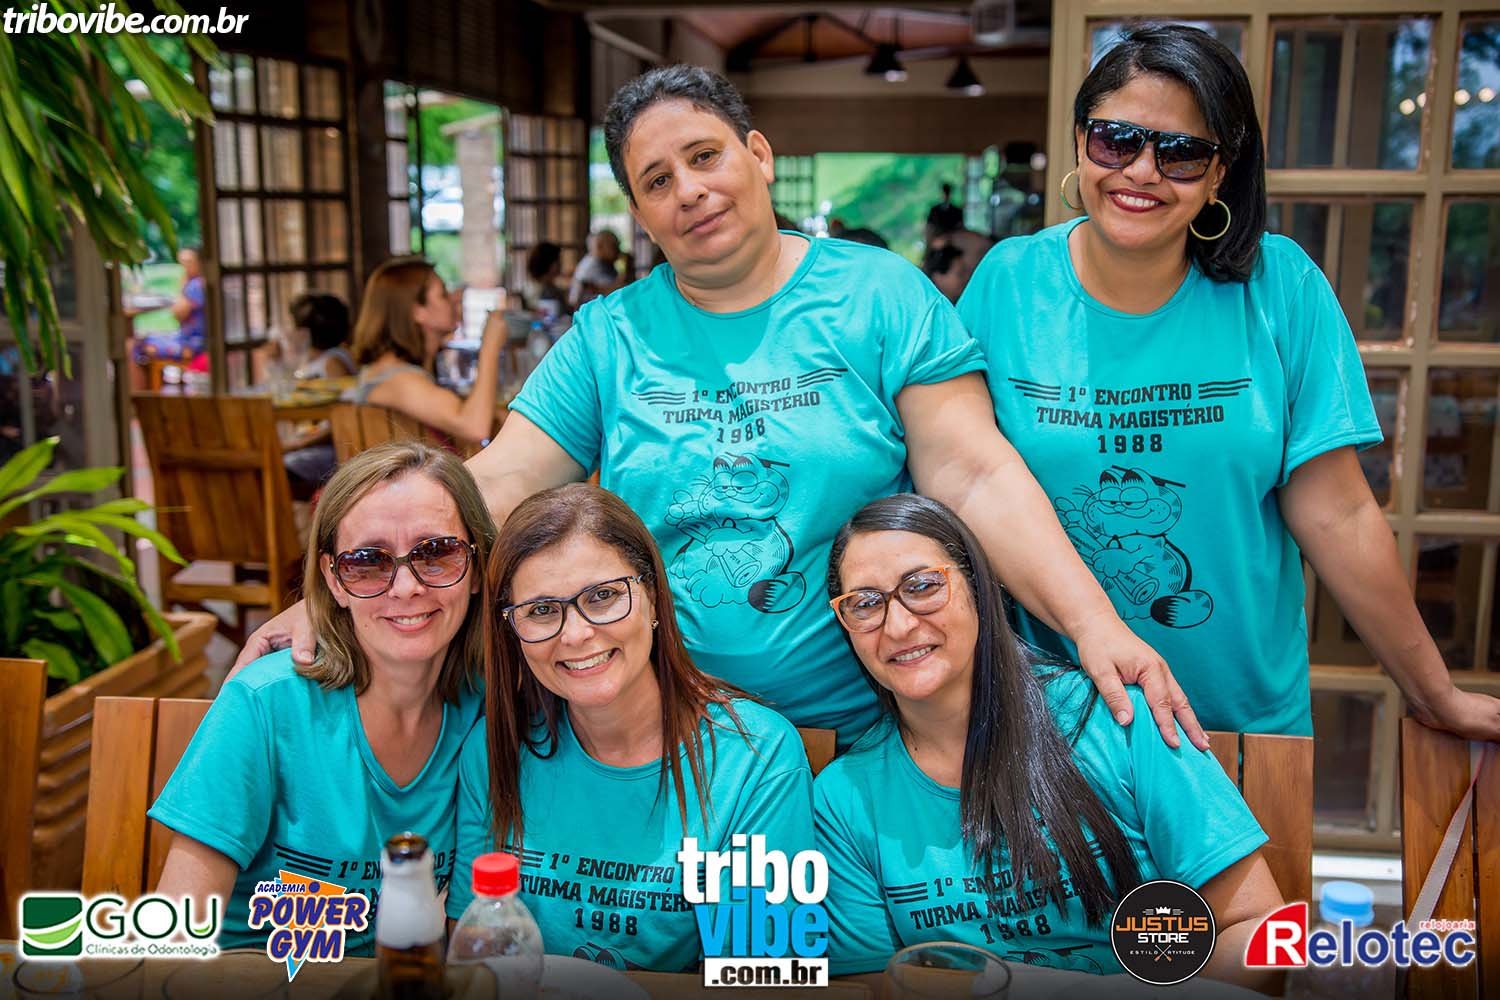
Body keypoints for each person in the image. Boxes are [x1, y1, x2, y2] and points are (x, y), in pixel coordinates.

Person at [237, 65, 1202, 755]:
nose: (690, 191)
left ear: (758, 155)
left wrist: (1092, 623)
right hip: (675, 736)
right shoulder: (613, 333)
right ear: (639, 213)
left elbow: (975, 472)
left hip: (871, 735)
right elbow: (499, 477)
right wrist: (345, 588)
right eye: (657, 181)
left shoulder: (877, 294)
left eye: (704, 156)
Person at [957, 24, 1500, 741]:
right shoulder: (1008, 282)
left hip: (1244, 728)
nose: (1142, 172)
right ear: (1081, 141)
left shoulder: (1281, 286)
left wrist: (1435, 692)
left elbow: (1338, 514)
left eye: (1182, 153)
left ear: (1221, 171)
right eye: (1116, 140)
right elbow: (964, 482)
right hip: (1054, 725)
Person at [817, 494, 1282, 989]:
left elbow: (1262, 932)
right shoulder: (846, 796)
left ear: (979, 588)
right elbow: (867, 986)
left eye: (923, 586)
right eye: (865, 603)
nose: (900, 624)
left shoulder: (1116, 719)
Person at [451, 483, 812, 970]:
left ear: (654, 598)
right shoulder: (493, 750)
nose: (576, 634)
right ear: (511, 631)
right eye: (541, 611)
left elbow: (761, 979)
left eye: (603, 596)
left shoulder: (756, 756)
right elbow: (473, 963)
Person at [150, 442, 493, 953]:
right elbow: (173, 939)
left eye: (436, 553)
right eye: (367, 562)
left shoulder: (485, 713)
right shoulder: (265, 704)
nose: (405, 587)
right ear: (334, 580)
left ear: (477, 567)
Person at [351, 257, 504, 448]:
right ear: (418, 312)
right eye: (443, 294)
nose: (455, 298)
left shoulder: (395, 373)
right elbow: (475, 428)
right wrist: (489, 346)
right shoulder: (396, 379)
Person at [277, 292, 353, 499]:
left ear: (305, 332)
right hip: (317, 447)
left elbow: (342, 417)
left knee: (275, 469)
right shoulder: (314, 361)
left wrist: (297, 444)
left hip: (333, 452)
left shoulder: (332, 362)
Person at [132, 247, 206, 364]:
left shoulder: (195, 285)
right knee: (144, 339)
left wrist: (183, 284)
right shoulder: (202, 283)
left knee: (136, 345)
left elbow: (178, 314)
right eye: (182, 263)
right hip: (196, 340)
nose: (185, 267)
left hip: (193, 344)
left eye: (189, 262)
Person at [569, 230, 633, 309]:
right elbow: (617, 291)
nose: (618, 250)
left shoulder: (606, 263)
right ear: (600, 246)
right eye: (614, 246)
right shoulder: (593, 264)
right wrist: (627, 269)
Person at [525, 241, 572, 316]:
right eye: (558, 261)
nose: (561, 265)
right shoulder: (545, 291)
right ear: (551, 264)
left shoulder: (530, 287)